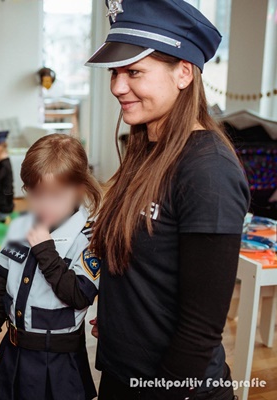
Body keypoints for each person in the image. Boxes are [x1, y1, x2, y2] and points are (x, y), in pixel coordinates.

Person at [85, 1, 250, 399]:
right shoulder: (146, 149)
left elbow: (201, 328)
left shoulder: (208, 171)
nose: (117, 87)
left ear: (183, 72)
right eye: (115, 72)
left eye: (134, 72)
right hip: (123, 372)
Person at [0, 134, 102, 400]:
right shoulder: (20, 226)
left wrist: (44, 249)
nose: (44, 205)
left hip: (59, 363)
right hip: (15, 354)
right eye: (36, 195)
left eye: (55, 196)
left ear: (80, 188)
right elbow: (3, 284)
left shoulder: (88, 238)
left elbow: (79, 296)